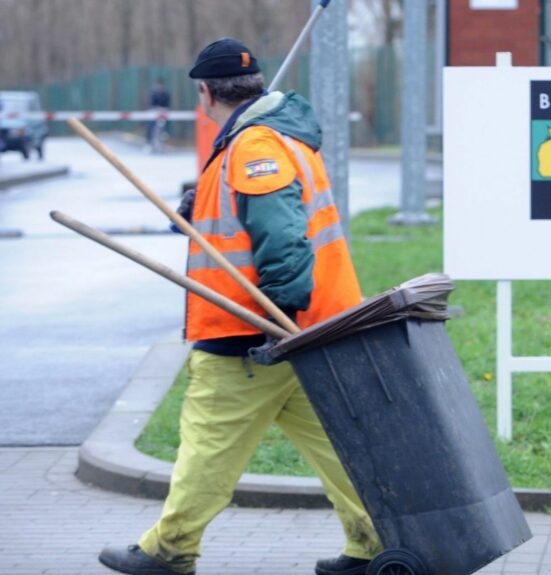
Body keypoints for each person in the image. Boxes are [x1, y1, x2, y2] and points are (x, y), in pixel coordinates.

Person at [98, 38, 382, 575]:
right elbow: (260, 213)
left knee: (208, 443)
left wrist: (276, 322)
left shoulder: (253, 147)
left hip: (254, 331)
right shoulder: (275, 138)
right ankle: (376, 542)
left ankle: (170, 550)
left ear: (206, 92)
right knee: (336, 447)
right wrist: (200, 203)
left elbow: (280, 237)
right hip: (313, 326)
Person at [147, 79, 172, 151]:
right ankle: (149, 143)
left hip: (163, 112)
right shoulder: (153, 94)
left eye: (161, 85)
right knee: (151, 126)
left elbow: (168, 105)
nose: (159, 86)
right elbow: (151, 104)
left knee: (164, 124)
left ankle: (165, 134)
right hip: (155, 112)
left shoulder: (166, 94)